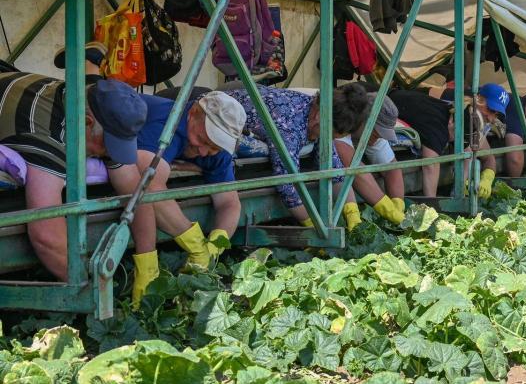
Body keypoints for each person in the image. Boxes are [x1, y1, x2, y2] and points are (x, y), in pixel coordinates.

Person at [0, 73, 147, 281]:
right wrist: (95, 293)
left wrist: (148, 261)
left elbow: (136, 191)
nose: (109, 155)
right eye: (109, 145)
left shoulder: (94, 100)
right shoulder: (44, 134)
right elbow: (46, 236)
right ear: (86, 123)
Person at [109, 90, 246, 307]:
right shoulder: (167, 121)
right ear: (192, 112)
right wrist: (196, 246)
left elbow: (229, 203)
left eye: (214, 147)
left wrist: (215, 245)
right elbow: (149, 185)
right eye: (201, 139)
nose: (203, 151)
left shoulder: (216, 151)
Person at [224, 84, 372, 232]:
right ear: (318, 117)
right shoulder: (288, 126)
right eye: (333, 135)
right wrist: (314, 227)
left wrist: (352, 212)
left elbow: (333, 168)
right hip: (222, 114)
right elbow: (286, 184)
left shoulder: (321, 113)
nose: (330, 139)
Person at [392, 83, 504, 198]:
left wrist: (460, 190)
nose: (491, 119)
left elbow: (468, 154)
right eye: (490, 110)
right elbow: (431, 165)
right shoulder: (438, 129)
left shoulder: (467, 115)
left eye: (496, 114)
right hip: (390, 99)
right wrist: (432, 204)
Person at [333, 92, 406, 222]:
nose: (377, 138)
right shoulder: (338, 123)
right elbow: (356, 170)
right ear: (362, 119)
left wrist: (398, 204)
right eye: (376, 132)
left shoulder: (372, 133)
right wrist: (389, 212)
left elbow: (392, 169)